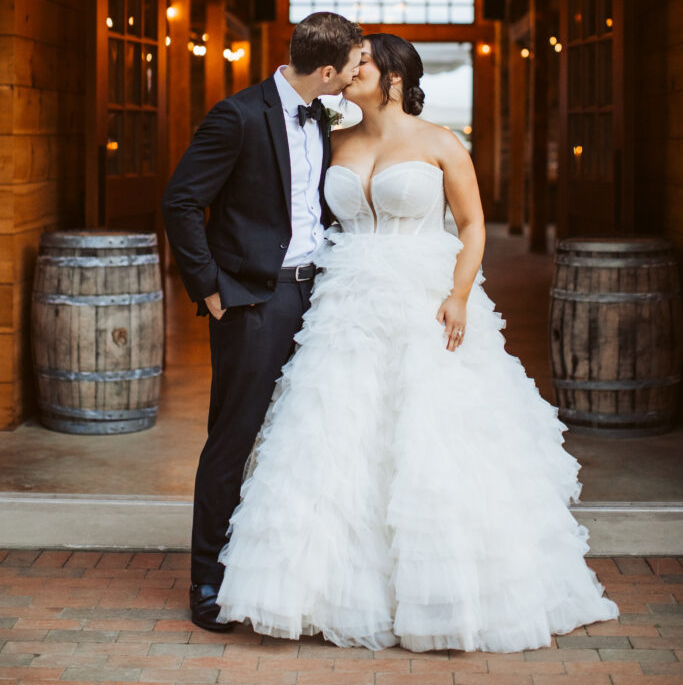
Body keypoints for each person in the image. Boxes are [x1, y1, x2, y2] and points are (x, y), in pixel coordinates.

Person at [214, 32, 620, 653]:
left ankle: (450, 593)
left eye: (363, 63)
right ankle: (329, 590)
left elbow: (474, 222)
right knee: (336, 436)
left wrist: (459, 293)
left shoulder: (439, 141)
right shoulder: (334, 140)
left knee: (432, 437)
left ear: (395, 76)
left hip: (424, 300)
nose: (351, 71)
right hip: (345, 304)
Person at [161, 11, 364, 632]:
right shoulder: (239, 115)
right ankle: (206, 580)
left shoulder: (329, 115)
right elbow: (182, 200)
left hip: (321, 296)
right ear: (326, 71)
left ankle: (282, 573)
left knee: (303, 435)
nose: (357, 77)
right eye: (352, 68)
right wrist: (212, 290)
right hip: (254, 300)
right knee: (235, 435)